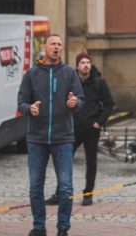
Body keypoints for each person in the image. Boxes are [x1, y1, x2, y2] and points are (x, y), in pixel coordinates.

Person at [17, 33, 84, 236]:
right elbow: (21, 103)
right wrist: (30, 109)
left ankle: (63, 228)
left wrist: (75, 103)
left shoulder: (70, 73)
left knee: (65, 186)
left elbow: (80, 100)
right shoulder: (32, 74)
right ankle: (39, 227)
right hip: (36, 139)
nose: (56, 47)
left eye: (59, 45)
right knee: (36, 186)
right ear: (45, 48)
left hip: (63, 138)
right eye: (53, 44)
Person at [48, 52, 115, 208]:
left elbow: (109, 104)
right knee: (64, 161)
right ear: (77, 66)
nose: (86, 65)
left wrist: (99, 122)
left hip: (92, 129)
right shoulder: (71, 82)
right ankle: (60, 193)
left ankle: (88, 193)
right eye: (83, 62)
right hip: (73, 129)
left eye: (88, 62)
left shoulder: (99, 82)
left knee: (91, 161)